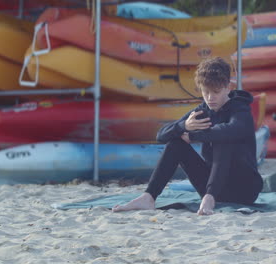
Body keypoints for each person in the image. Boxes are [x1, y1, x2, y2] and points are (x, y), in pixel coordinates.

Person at [112, 57, 263, 215]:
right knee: (175, 144)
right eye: (206, 92)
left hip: (244, 189)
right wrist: (183, 126)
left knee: (222, 138)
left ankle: (210, 198)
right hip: (213, 187)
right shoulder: (204, 110)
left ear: (227, 88)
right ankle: (148, 197)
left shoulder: (241, 109)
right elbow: (161, 135)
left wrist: (194, 136)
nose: (210, 98)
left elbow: (233, 129)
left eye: (216, 92)